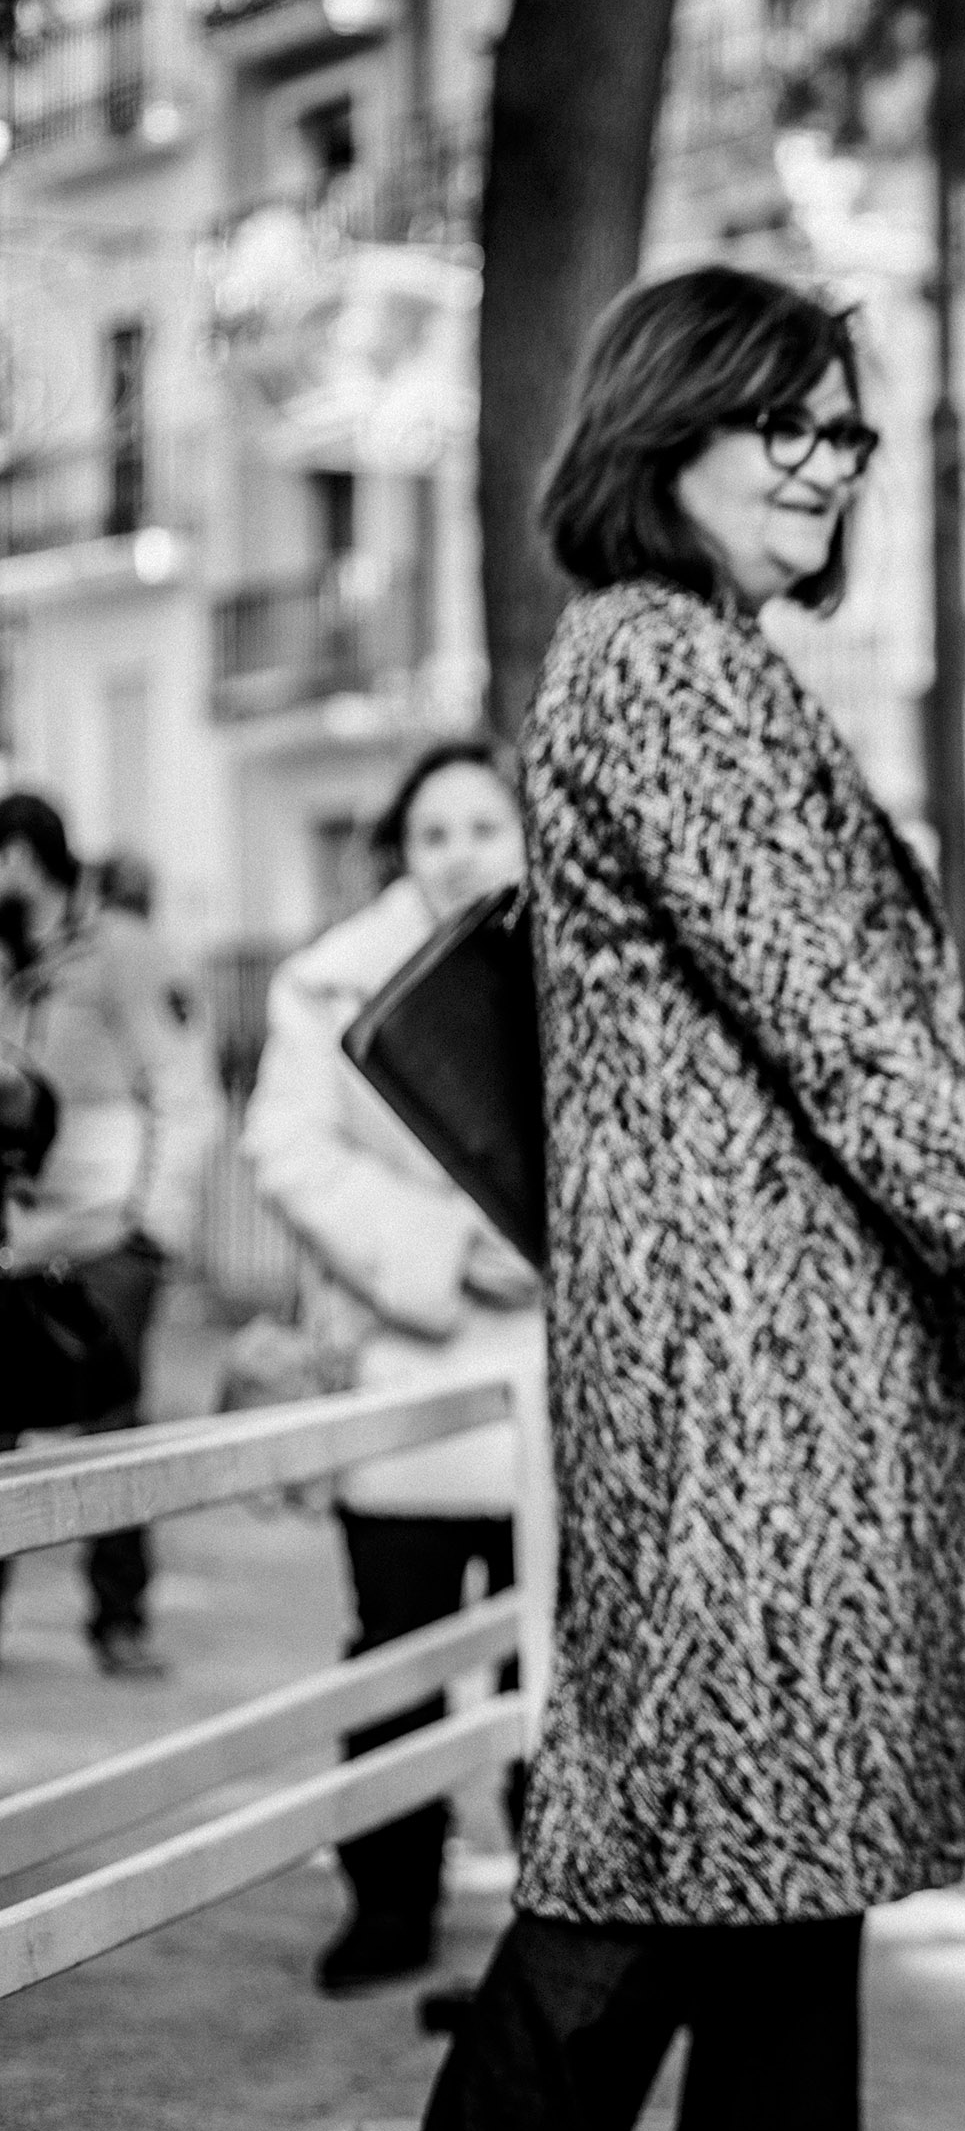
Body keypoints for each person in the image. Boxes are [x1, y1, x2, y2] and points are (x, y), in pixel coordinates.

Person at [411, 265, 965, 2131]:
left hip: (796, 1372)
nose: (828, 463)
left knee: (788, 1858)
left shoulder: (706, 658)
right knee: (668, 1844)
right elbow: (844, 1039)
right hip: (739, 1385)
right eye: (790, 420)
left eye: (847, 430)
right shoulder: (659, 664)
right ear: (664, 419)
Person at [244, 740, 551, 1994]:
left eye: (484, 824)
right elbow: (290, 1148)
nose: (459, 851)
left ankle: (565, 1917)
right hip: (409, 1364)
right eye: (432, 831)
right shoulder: (327, 985)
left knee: (558, 1659)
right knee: (396, 1650)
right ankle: (389, 1896)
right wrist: (441, 1250)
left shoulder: (586, 964)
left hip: (553, 1373)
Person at [0, 788, 223, 1678]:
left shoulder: (124, 953)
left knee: (112, 1431)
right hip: (15, 1235)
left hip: (104, 1236)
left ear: (29, 857)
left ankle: (119, 1618)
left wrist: (152, 1225)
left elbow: (183, 1086)